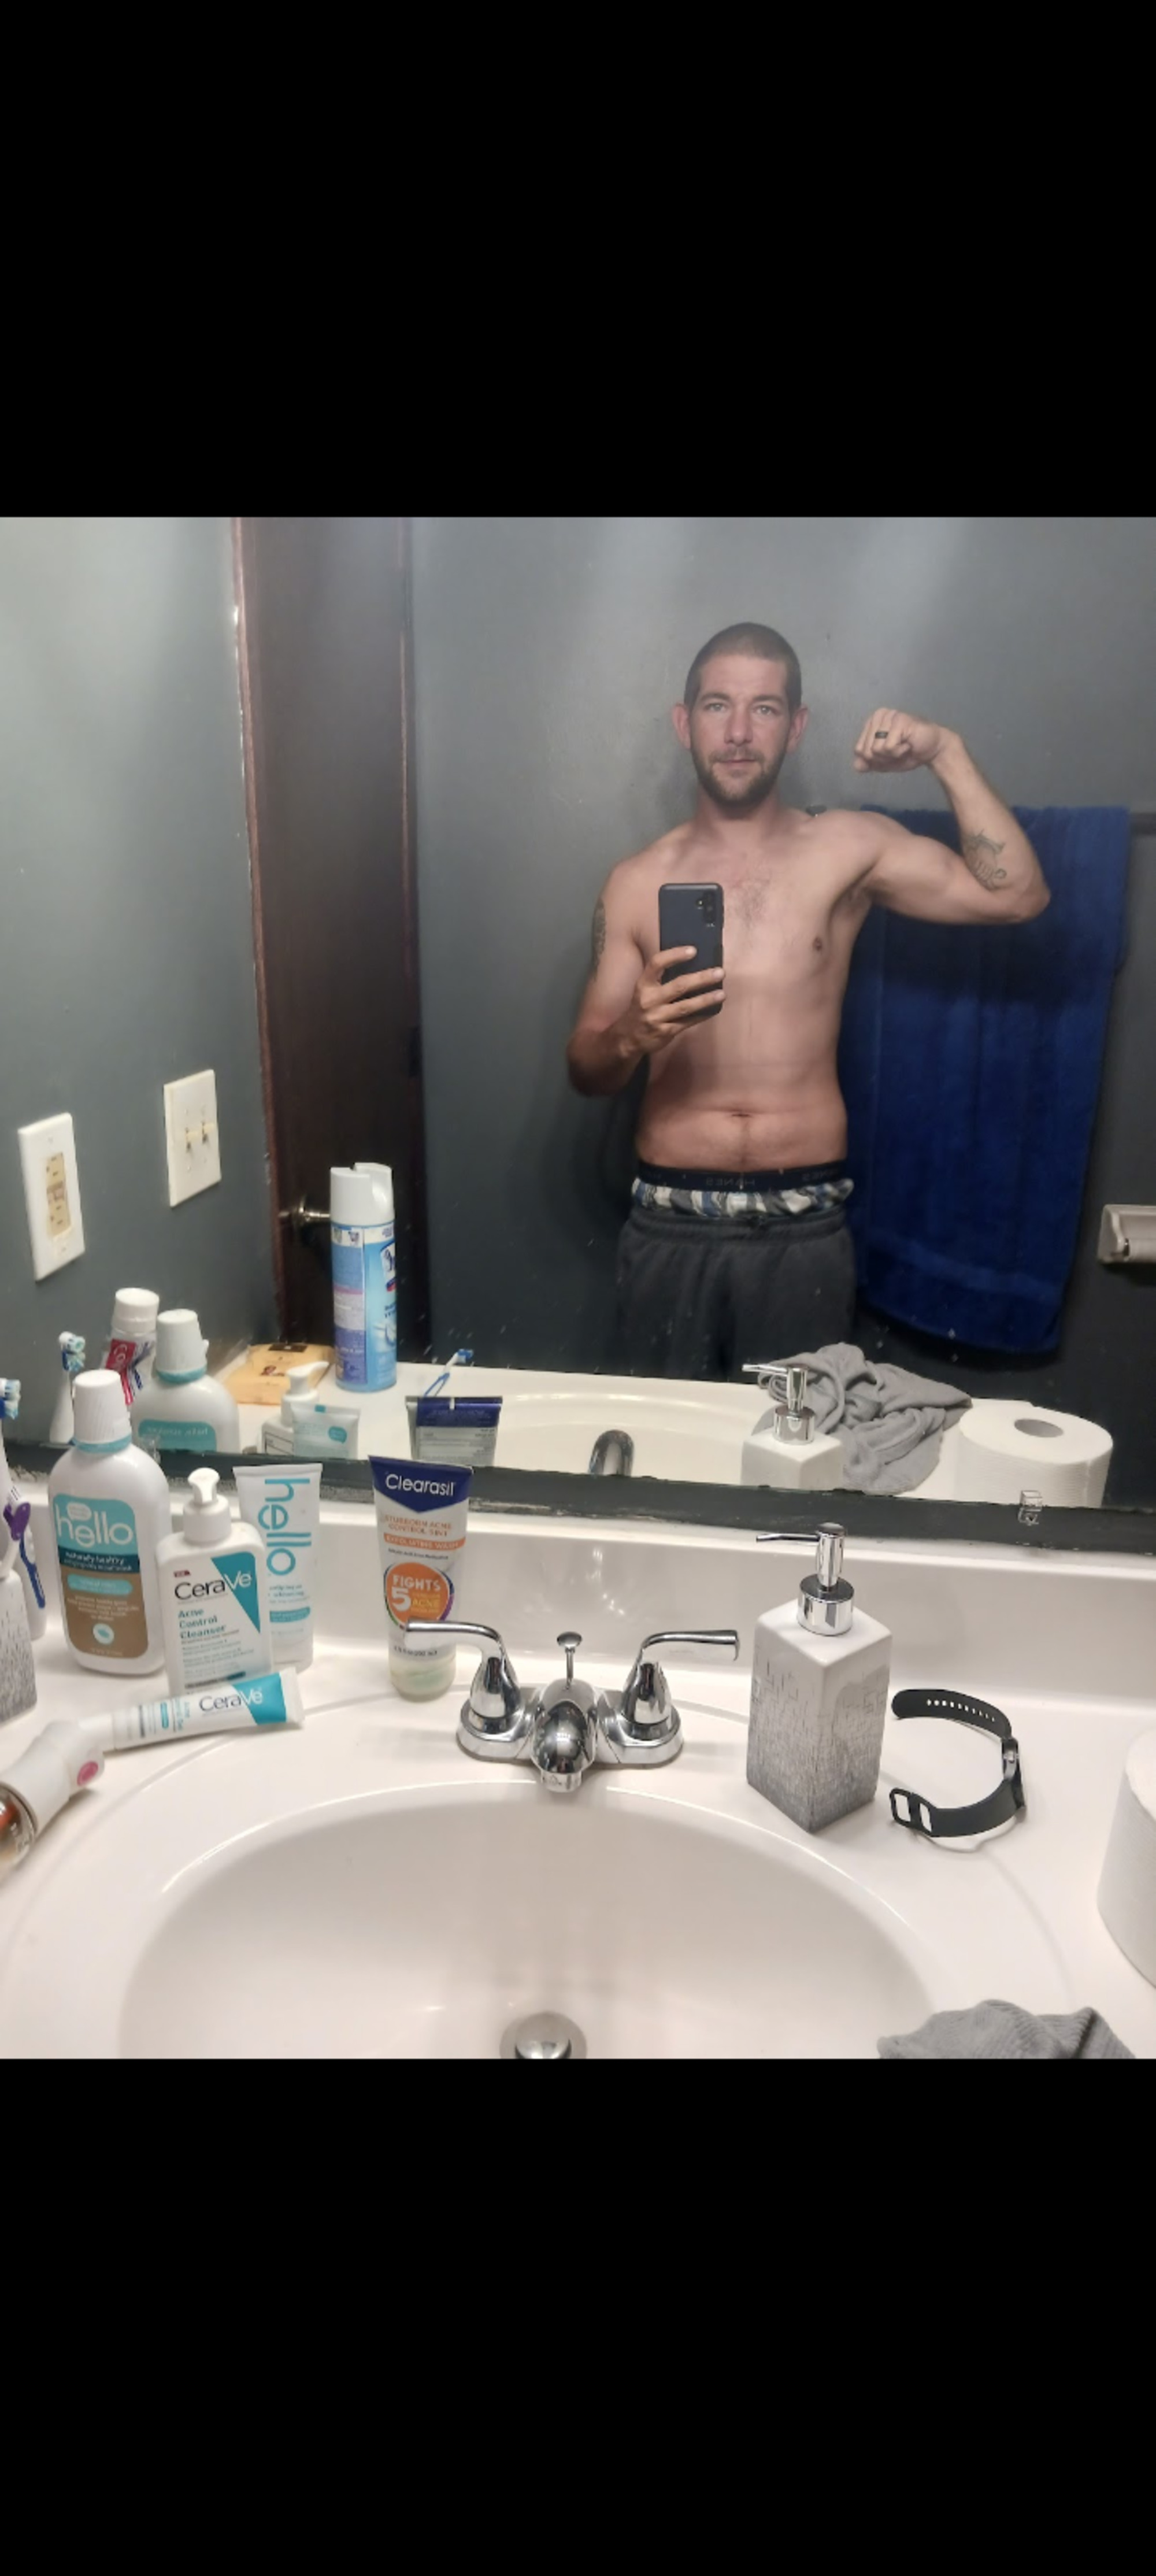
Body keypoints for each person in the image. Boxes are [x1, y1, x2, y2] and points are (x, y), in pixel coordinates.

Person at [566, 621, 1050, 1381]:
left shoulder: (846, 848)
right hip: (670, 1222)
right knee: (660, 1450)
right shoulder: (636, 882)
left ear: (795, 728)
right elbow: (587, 1071)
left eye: (763, 708)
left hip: (803, 1229)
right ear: (684, 722)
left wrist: (945, 752)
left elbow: (1018, 895)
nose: (737, 731)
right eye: (718, 705)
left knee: (800, 1451)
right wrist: (632, 1032)